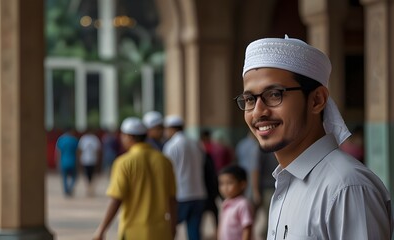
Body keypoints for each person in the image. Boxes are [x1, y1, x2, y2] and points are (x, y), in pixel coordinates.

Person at [236, 35, 392, 239]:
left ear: (317, 100)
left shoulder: (346, 188)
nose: (258, 112)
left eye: (274, 94)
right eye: (249, 99)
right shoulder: (285, 181)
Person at [93, 117, 177, 240]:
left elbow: (116, 199)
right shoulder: (165, 161)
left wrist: (101, 229)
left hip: (133, 231)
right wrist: (173, 227)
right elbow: (172, 199)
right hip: (161, 232)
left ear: (129, 137)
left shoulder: (124, 162)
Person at [163, 115, 207, 240]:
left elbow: (166, 171)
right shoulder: (196, 143)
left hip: (181, 195)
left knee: (169, 229)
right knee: (194, 233)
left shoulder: (171, 146)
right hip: (198, 193)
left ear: (171, 129)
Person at [218, 164, 253, 240]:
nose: (225, 188)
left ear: (242, 184)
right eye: (222, 184)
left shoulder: (243, 204)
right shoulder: (225, 203)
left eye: (229, 183)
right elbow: (221, 226)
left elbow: (247, 228)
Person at [55, 128, 79, 197]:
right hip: (73, 161)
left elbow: (58, 153)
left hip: (63, 161)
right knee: (75, 176)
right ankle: (70, 187)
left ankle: (66, 190)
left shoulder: (61, 140)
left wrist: (57, 162)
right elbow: (77, 152)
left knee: (64, 177)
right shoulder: (74, 140)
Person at [77, 129, 102, 196]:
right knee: (87, 175)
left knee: (91, 175)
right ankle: (89, 188)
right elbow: (80, 150)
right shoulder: (84, 139)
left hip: (92, 160)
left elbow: (98, 150)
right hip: (86, 160)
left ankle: (90, 188)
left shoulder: (94, 139)